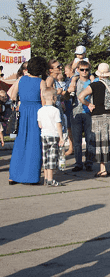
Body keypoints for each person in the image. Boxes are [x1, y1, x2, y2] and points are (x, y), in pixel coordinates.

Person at [78, 63, 110, 177]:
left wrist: (89, 104)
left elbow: (81, 96)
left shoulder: (94, 85)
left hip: (99, 116)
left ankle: (102, 168)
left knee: (101, 142)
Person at [9, 57, 47, 185]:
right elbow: (44, 101)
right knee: (34, 143)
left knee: (20, 142)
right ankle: (31, 177)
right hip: (36, 112)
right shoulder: (41, 82)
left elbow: (12, 96)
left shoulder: (21, 79)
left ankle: (13, 175)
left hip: (23, 110)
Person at [68, 60, 95, 172]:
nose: (84, 72)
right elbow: (67, 93)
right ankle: (78, 163)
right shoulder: (74, 82)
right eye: (82, 69)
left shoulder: (92, 82)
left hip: (89, 113)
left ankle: (89, 162)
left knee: (90, 139)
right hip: (76, 112)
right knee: (77, 140)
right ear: (77, 70)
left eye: (86, 70)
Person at [38, 87, 65, 187]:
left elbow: (40, 125)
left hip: (44, 135)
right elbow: (58, 125)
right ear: (54, 98)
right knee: (52, 158)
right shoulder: (55, 111)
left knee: (45, 157)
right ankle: (50, 179)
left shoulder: (40, 110)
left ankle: (45, 178)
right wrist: (61, 138)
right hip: (53, 135)